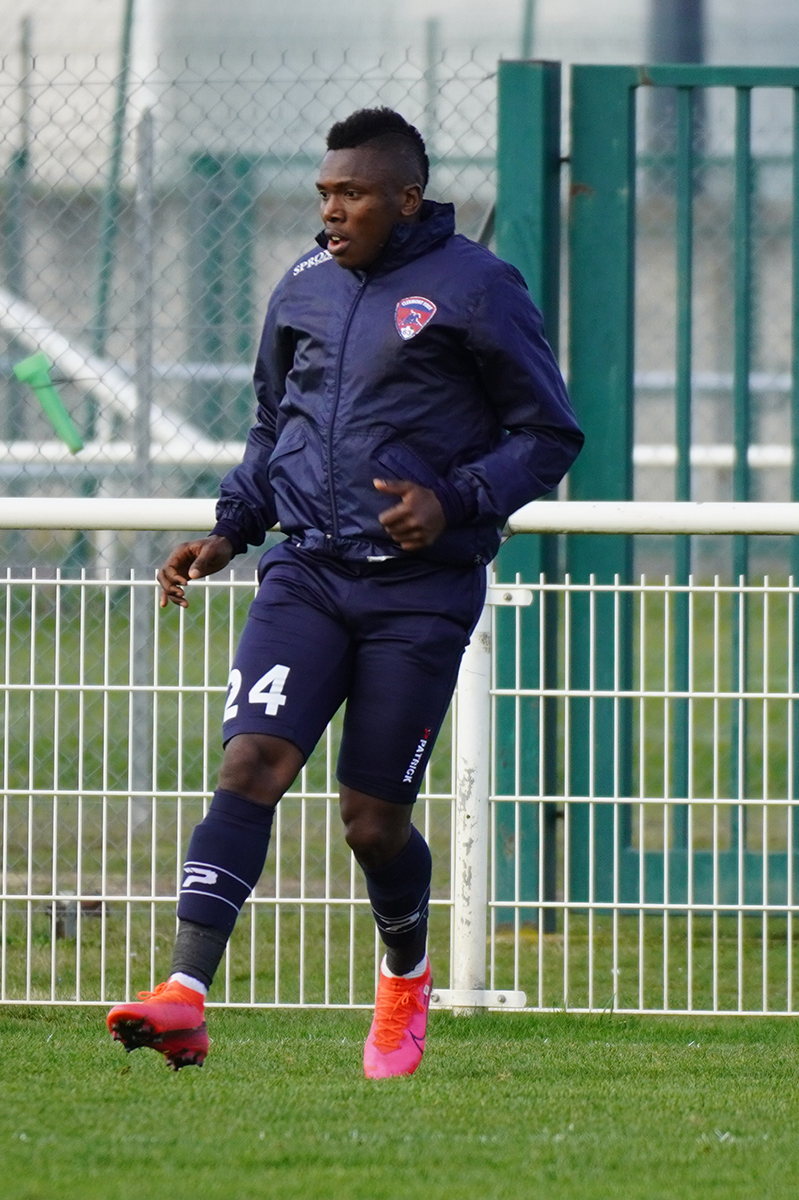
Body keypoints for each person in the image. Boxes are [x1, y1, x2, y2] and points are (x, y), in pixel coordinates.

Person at [104, 107, 582, 1078]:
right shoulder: (303, 286)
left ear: (405, 200)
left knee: (370, 819)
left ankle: (404, 973)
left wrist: (452, 502)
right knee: (252, 765)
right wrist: (230, 529)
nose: (331, 209)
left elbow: (548, 434)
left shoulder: (478, 289)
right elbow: (270, 424)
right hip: (306, 573)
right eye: (324, 192)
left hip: (421, 592)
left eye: (352, 193)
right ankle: (185, 994)